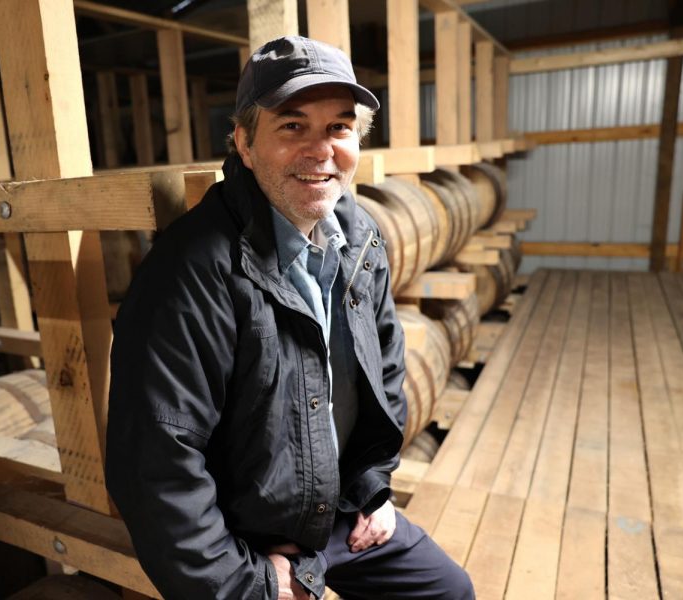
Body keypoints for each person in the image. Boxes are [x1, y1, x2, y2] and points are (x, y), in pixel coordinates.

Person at [106, 35, 474, 600]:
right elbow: (157, 461)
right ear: (245, 144)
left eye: (339, 128)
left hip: (339, 508)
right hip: (246, 535)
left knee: (449, 592)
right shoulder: (193, 268)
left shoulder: (361, 238)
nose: (321, 149)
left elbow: (386, 371)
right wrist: (247, 583)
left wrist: (373, 486)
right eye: (292, 127)